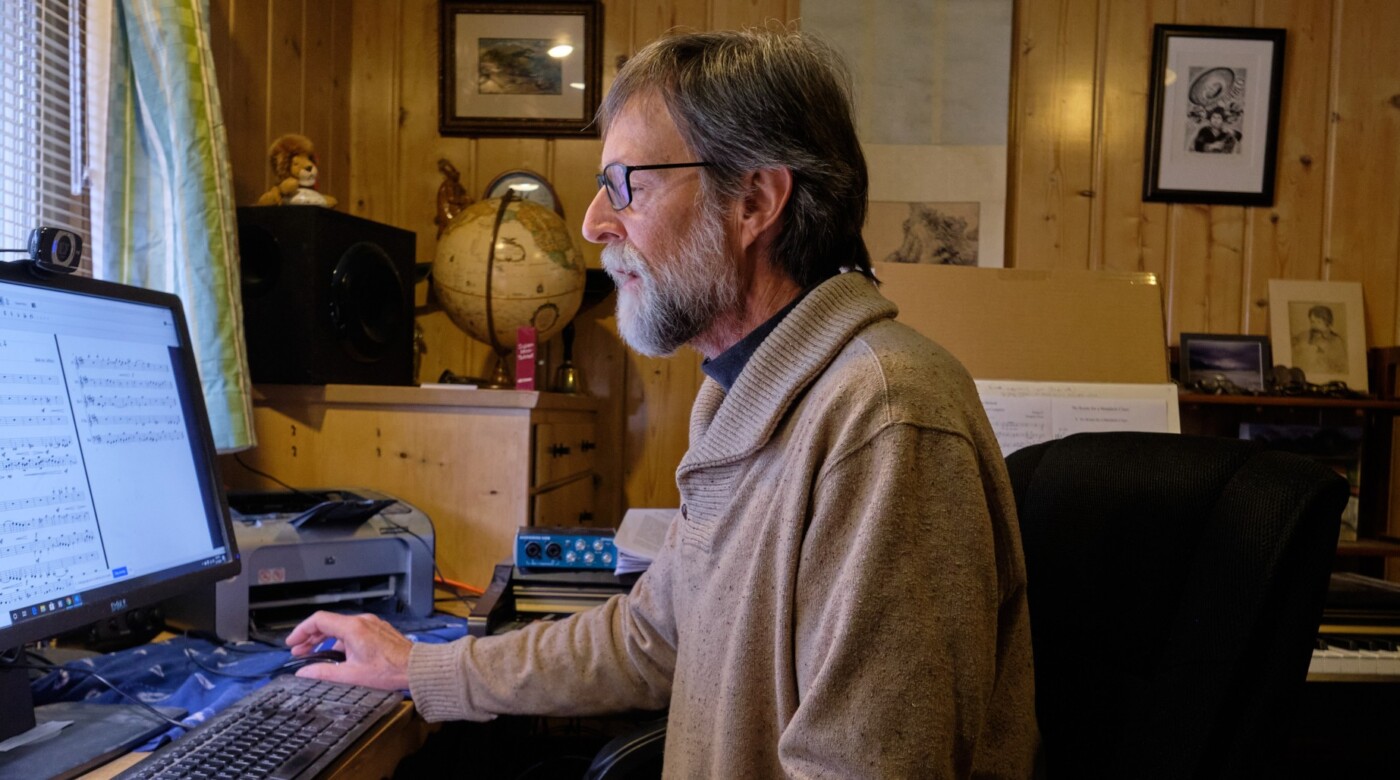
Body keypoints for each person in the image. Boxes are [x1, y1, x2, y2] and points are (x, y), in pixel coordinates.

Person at [286, 28, 1039, 777]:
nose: (592, 224)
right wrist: (421, 670)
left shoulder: (883, 417)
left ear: (754, 201)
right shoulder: (740, 394)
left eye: (626, 185)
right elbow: (652, 637)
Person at [1292, 303, 1348, 375]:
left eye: (1319, 322)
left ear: (1328, 323)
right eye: (1312, 322)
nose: (1314, 325)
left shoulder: (1336, 341)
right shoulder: (1304, 335)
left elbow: (1341, 368)